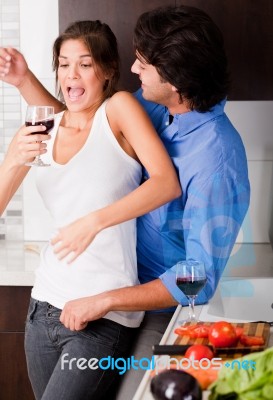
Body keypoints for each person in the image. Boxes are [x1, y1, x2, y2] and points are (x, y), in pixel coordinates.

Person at [0, 5, 250, 398]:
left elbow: (197, 279)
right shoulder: (152, 106)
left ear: (174, 76)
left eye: (143, 63)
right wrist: (24, 81)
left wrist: (106, 300)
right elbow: (79, 120)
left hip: (154, 306)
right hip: (90, 291)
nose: (133, 70)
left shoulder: (217, 160)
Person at [0, 19, 181, 400]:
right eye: (64, 64)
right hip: (43, 309)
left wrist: (94, 222)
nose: (71, 74)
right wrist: (12, 160)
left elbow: (166, 183)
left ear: (108, 70)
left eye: (84, 63)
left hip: (103, 318)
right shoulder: (44, 127)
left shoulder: (118, 110)